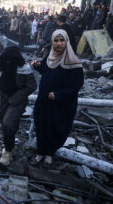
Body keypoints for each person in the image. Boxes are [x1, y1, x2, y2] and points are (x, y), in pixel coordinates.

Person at [31, 29, 83, 169]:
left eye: (62, 40)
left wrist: (59, 95)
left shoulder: (73, 62)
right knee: (41, 125)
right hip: (44, 99)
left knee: (55, 128)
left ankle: (49, 154)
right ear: (52, 42)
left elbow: (76, 85)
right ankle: (40, 152)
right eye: (56, 40)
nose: (59, 44)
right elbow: (47, 71)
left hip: (61, 104)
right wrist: (38, 66)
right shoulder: (50, 56)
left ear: (67, 41)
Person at [0, 46, 36, 166]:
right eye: (6, 60)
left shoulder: (24, 68)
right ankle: (10, 144)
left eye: (10, 61)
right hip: (3, 97)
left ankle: (7, 152)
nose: (8, 63)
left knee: (8, 123)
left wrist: (15, 98)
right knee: (2, 120)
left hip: (17, 100)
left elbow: (32, 86)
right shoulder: (2, 64)